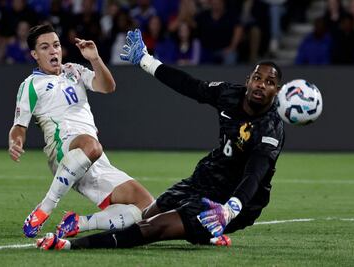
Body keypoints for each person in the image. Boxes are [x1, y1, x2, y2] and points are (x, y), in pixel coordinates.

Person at [36, 28, 285, 250]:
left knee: (152, 229)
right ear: (248, 80)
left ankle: (69, 245)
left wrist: (230, 210)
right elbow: (189, 85)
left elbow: (254, 175)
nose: (261, 85)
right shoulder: (231, 95)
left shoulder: (270, 130)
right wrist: (145, 60)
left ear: (277, 91)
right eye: (257, 78)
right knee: (147, 214)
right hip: (207, 178)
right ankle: (78, 223)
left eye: (270, 82)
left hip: (236, 201)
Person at [8, 24, 154, 239]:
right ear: (35, 55)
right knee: (91, 145)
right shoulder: (31, 84)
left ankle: (78, 224)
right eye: (45, 47)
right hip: (63, 149)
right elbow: (19, 126)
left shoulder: (74, 70)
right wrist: (15, 142)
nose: (53, 51)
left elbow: (107, 87)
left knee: (146, 207)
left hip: (95, 158)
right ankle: (45, 207)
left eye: (56, 45)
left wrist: (94, 59)